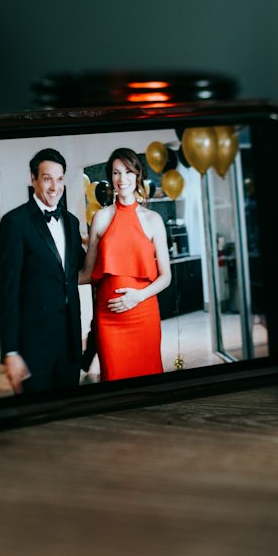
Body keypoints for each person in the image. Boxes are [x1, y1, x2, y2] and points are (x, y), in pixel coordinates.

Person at [0, 147, 84, 394]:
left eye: (59, 179)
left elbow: (78, 268)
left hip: (69, 345)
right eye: (47, 179)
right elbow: (7, 292)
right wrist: (11, 352)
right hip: (33, 349)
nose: (54, 187)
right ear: (33, 179)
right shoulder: (15, 223)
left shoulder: (71, 221)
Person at [80, 147, 171, 382]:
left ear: (137, 175)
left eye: (128, 172)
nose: (122, 179)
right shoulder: (101, 217)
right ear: (111, 177)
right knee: (114, 381)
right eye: (116, 173)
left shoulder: (154, 220)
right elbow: (88, 273)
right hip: (108, 319)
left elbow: (166, 276)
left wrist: (137, 297)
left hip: (144, 314)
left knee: (148, 382)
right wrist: (50, 276)